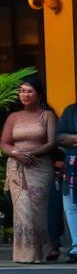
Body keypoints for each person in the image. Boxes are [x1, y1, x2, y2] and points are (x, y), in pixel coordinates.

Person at [1, 75, 58, 264]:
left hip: (40, 168)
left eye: (29, 91)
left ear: (39, 94)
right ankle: (25, 254)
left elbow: (52, 143)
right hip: (17, 168)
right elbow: (4, 144)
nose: (24, 94)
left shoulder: (47, 115)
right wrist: (17, 154)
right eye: (22, 91)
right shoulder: (13, 117)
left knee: (38, 211)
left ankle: (44, 249)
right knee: (23, 209)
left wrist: (32, 154)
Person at [55, 100, 77, 262]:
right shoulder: (71, 111)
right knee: (71, 207)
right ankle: (76, 245)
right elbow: (60, 137)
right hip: (72, 167)